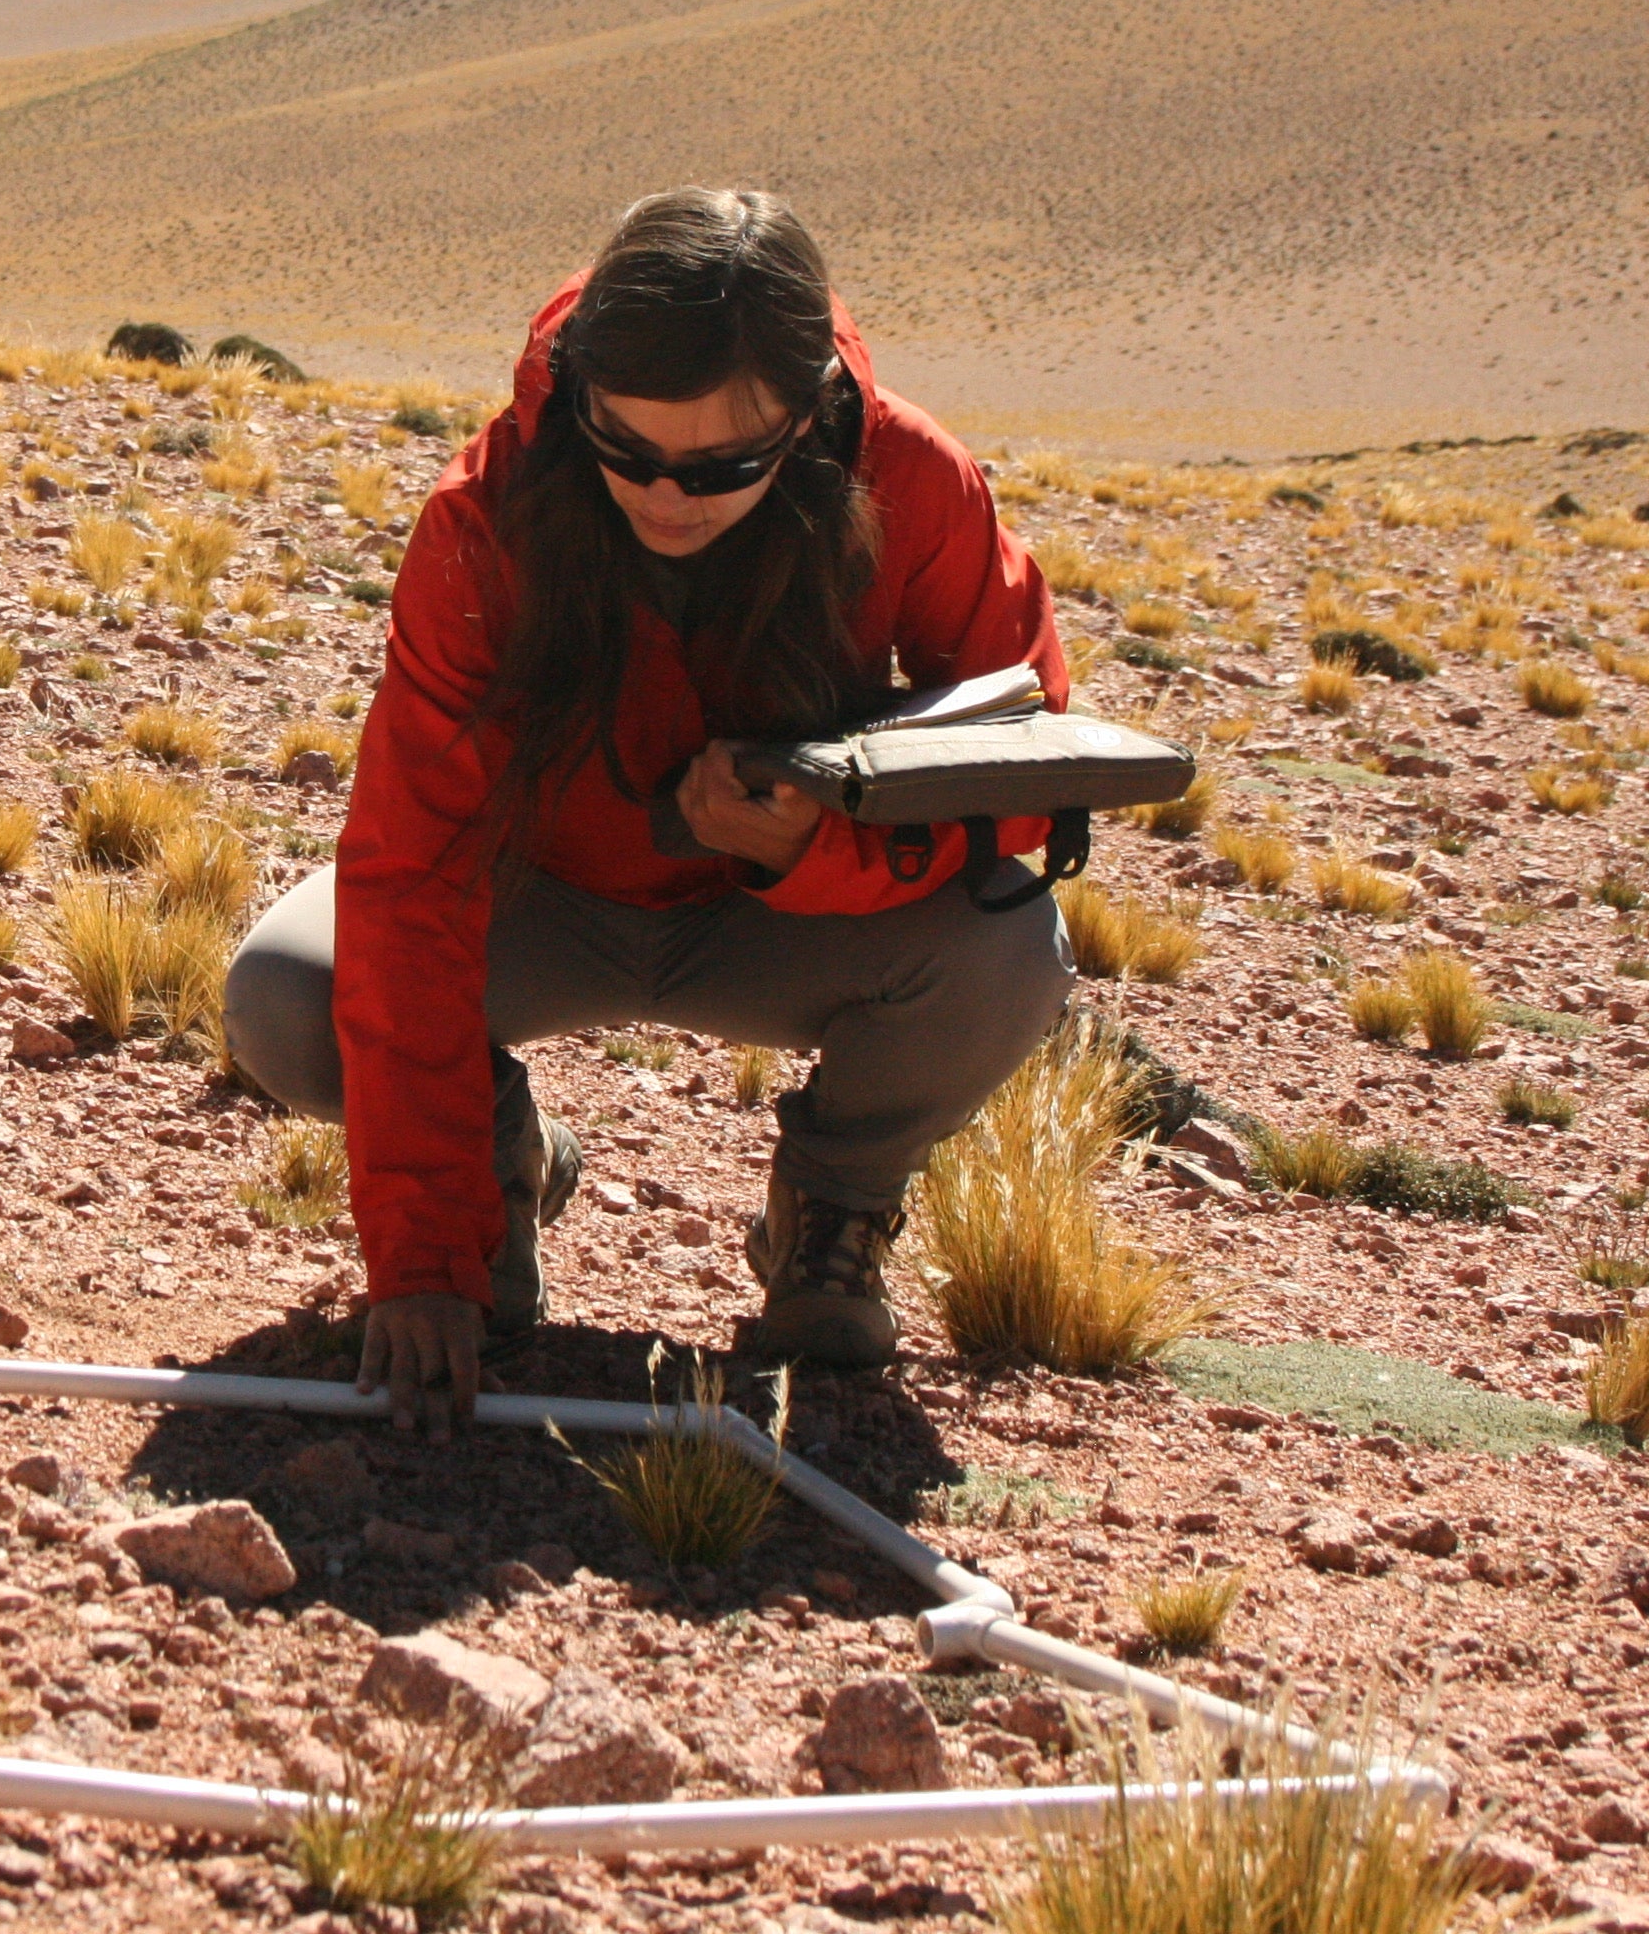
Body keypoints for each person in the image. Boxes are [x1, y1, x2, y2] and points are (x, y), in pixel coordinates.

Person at [226, 189, 1076, 1438]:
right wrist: (424, 1260)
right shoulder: (488, 514)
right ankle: (499, 1173)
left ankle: (830, 1217)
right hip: (542, 905)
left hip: (783, 921)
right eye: (624, 450)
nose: (665, 497)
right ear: (578, 395)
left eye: (722, 467)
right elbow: (411, 871)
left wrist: (822, 848)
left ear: (809, 418)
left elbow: (1031, 774)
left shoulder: (917, 481)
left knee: (1014, 949)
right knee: (286, 997)